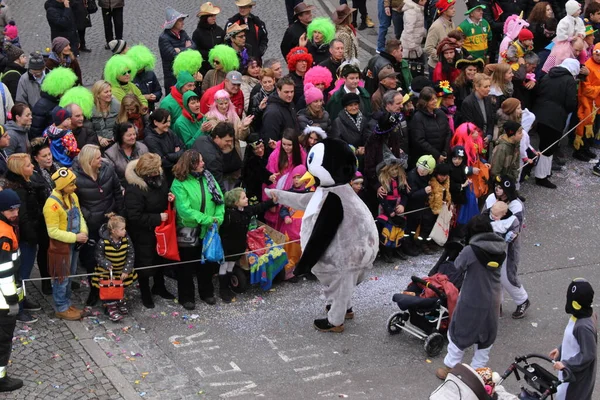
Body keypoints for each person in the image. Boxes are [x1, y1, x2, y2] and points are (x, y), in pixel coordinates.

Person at [435, 214, 507, 380]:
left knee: (459, 333)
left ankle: (450, 368)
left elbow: (458, 265)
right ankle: (477, 373)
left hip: (472, 299)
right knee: (486, 337)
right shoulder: (500, 248)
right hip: (494, 300)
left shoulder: (470, 250)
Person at [171, 149, 225, 310]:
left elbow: (219, 199)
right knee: (187, 265)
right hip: (189, 229)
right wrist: (207, 219)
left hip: (208, 228)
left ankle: (206, 292)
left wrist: (219, 217)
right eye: (200, 161)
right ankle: (186, 297)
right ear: (191, 164)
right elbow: (184, 210)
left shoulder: (208, 177)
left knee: (207, 263)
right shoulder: (179, 183)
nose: (203, 163)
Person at [73, 144, 124, 307]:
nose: (101, 159)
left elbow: (117, 190)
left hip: (110, 221)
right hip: (91, 225)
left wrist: (119, 214)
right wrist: (88, 216)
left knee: (112, 257)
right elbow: (75, 203)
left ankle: (113, 292)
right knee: (91, 260)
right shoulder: (75, 177)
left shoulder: (108, 169)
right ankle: (94, 290)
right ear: (88, 161)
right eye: (97, 157)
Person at [124, 153, 176, 309]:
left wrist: (170, 199)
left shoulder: (159, 177)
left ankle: (159, 286)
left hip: (159, 229)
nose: (157, 172)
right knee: (145, 263)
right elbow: (134, 216)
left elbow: (162, 194)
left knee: (160, 258)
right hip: (143, 232)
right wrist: (158, 217)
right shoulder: (134, 188)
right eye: (154, 171)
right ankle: (145, 292)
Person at [43, 167, 88, 320]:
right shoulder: (51, 205)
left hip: (74, 244)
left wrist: (83, 231)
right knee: (61, 277)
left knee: (70, 274)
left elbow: (79, 215)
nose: (74, 187)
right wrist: (75, 237)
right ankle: (61, 307)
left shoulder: (73, 196)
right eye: (71, 184)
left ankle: (67, 303)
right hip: (61, 247)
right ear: (62, 186)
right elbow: (53, 232)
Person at [2, 154, 42, 323]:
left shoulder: (25, 184)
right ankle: (18, 306)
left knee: (22, 273)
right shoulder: (18, 189)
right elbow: (22, 217)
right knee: (20, 273)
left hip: (26, 236)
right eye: (28, 165)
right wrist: (33, 237)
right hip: (23, 238)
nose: (32, 166)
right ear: (19, 169)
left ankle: (22, 299)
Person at [220, 187, 276, 302]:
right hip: (226, 247)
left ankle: (229, 285)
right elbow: (222, 231)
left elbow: (258, 208)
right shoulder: (228, 215)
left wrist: (272, 202)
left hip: (238, 246)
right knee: (224, 266)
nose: (247, 199)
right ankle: (223, 289)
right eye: (243, 198)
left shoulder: (246, 210)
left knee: (231, 265)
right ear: (236, 202)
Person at [532, 59, 579, 187]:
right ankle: (541, 176)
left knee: (543, 145)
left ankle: (546, 172)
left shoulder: (548, 75)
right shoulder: (569, 81)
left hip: (539, 113)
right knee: (548, 148)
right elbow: (570, 103)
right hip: (555, 117)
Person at [549, 278, 597, 400]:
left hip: (574, 377)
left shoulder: (583, 326)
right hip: (569, 371)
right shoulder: (581, 316)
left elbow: (588, 355)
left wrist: (566, 364)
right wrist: (561, 350)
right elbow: (573, 341)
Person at [91, 213, 137, 322]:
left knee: (120, 287)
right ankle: (111, 307)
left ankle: (119, 301)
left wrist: (127, 269)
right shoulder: (103, 242)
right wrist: (106, 263)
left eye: (124, 228)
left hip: (121, 269)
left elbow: (131, 254)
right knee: (109, 289)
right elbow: (98, 255)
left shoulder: (126, 239)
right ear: (114, 231)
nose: (125, 231)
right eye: (122, 229)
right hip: (108, 271)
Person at [0, 189, 24, 393]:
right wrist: (12, 300)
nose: (15, 213)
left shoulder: (5, 227)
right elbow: (5, 273)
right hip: (2, 301)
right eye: (10, 210)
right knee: (2, 341)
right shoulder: (4, 235)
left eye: (17, 208)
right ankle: (1, 380)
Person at [29, 137, 59, 295]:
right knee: (45, 250)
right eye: (44, 156)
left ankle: (61, 277)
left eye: (49, 154)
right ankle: (46, 280)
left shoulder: (55, 168)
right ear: (36, 158)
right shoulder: (34, 175)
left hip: (60, 216)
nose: (49, 158)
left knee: (60, 249)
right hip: (43, 219)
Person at [264, 128, 306, 230]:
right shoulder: (275, 155)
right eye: (284, 144)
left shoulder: (302, 155)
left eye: (289, 145)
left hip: (294, 192)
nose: (286, 147)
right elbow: (269, 180)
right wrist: (270, 202)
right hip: (277, 191)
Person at [375, 152, 408, 262]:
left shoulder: (401, 180)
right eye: (392, 170)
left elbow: (404, 194)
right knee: (388, 230)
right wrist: (389, 211)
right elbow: (381, 199)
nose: (395, 172)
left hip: (398, 207)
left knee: (399, 229)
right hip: (386, 209)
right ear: (387, 170)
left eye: (396, 169)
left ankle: (397, 249)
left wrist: (402, 205)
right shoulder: (383, 182)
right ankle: (386, 251)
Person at [201, 90, 252, 160]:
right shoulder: (210, 117)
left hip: (235, 153)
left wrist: (244, 126)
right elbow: (218, 136)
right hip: (219, 154)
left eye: (226, 103)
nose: (224, 106)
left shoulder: (234, 115)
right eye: (221, 104)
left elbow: (240, 136)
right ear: (216, 104)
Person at [408, 86, 452, 166]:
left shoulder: (440, 113)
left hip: (443, 157)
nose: (435, 101)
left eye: (435, 98)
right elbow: (419, 140)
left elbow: (448, 132)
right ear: (424, 102)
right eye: (432, 100)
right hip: (427, 160)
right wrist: (437, 155)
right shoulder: (418, 117)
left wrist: (445, 152)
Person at [143, 109, 184, 184]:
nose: (168, 124)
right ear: (155, 122)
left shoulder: (169, 132)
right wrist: (176, 156)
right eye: (165, 122)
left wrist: (168, 156)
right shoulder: (150, 140)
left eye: (169, 121)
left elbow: (182, 148)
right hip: (164, 177)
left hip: (174, 172)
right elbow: (161, 161)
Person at [192, 121, 237, 190]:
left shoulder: (200, 139)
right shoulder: (214, 159)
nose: (230, 144)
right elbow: (218, 185)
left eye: (231, 141)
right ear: (217, 137)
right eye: (227, 141)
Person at [158, 7, 193, 91]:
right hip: (172, 77)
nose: (183, 23)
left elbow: (194, 47)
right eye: (180, 21)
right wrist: (187, 48)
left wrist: (180, 50)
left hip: (185, 73)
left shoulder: (183, 33)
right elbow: (173, 55)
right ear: (173, 23)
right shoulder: (164, 38)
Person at [241, 133, 278, 205]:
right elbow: (259, 170)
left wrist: (276, 146)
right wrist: (269, 176)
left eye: (261, 146)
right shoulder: (250, 161)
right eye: (256, 148)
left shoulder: (266, 153)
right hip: (255, 194)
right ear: (251, 150)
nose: (260, 150)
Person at [261, 76, 300, 142]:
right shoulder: (272, 113)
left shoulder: (289, 103)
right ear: (278, 90)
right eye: (286, 92)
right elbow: (271, 140)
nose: (290, 95)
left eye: (292, 91)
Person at [459, 73, 495, 143]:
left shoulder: (488, 99)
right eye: (485, 87)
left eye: (489, 86)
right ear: (476, 87)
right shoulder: (468, 102)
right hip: (474, 141)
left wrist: (489, 135)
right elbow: (469, 125)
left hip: (486, 139)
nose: (489, 89)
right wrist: (480, 137)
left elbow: (491, 120)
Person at [424, 0, 455, 76]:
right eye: (451, 8)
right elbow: (428, 48)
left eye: (453, 8)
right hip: (436, 67)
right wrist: (443, 58)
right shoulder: (436, 26)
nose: (454, 10)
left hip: (449, 65)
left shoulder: (451, 23)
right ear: (444, 11)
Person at [193, 2, 225, 75]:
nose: (214, 18)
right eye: (211, 16)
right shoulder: (197, 33)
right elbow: (196, 51)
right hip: (204, 69)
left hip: (220, 67)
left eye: (214, 15)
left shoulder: (219, 30)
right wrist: (211, 54)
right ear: (205, 18)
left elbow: (224, 44)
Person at [128, 45, 162, 112]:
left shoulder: (150, 74)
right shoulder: (128, 77)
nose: (140, 68)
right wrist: (144, 97)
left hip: (150, 108)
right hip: (136, 111)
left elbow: (158, 91)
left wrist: (155, 96)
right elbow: (127, 98)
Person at [490, 120, 522, 186]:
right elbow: (495, 171)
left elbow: (516, 163)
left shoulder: (515, 144)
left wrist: (514, 176)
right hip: (501, 184)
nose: (522, 135)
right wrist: (502, 184)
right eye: (520, 133)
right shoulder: (502, 149)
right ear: (512, 134)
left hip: (510, 180)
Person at [248, 68, 275, 132]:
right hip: (261, 127)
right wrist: (259, 108)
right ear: (260, 82)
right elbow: (251, 115)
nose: (268, 85)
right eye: (265, 82)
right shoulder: (256, 93)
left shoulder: (278, 90)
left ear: (274, 80)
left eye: (269, 81)